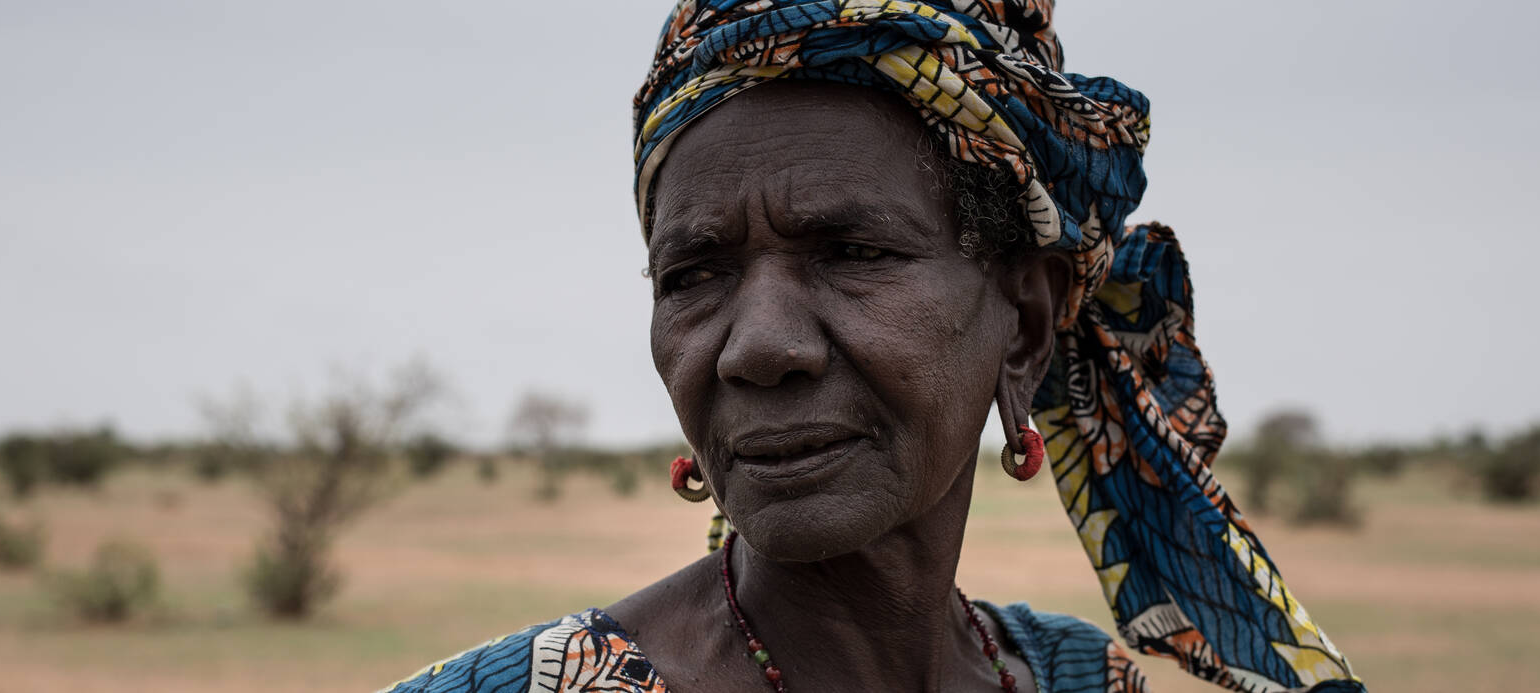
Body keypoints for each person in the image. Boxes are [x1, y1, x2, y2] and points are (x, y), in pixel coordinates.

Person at [383, 2, 1365, 691]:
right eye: (694, 274)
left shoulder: (1079, 680)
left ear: (1023, 324)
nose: (757, 348)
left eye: (851, 252)